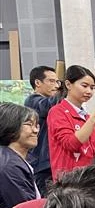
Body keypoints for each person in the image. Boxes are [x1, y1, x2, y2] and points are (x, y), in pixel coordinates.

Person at [47, 65, 95, 180]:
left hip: (89, 182)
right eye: (84, 86)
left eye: (92, 87)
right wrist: (93, 119)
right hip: (69, 184)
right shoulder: (57, 112)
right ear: (68, 85)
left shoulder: (86, 116)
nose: (89, 91)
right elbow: (71, 144)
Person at [24, 65, 61, 194]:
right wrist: (69, 88)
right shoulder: (32, 101)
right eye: (51, 81)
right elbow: (47, 106)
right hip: (42, 164)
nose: (56, 85)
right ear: (38, 83)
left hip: (51, 162)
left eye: (57, 81)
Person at [0, 103, 41, 208]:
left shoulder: (12, 158)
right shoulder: (9, 166)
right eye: (29, 124)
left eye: (37, 125)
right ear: (10, 126)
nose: (36, 131)